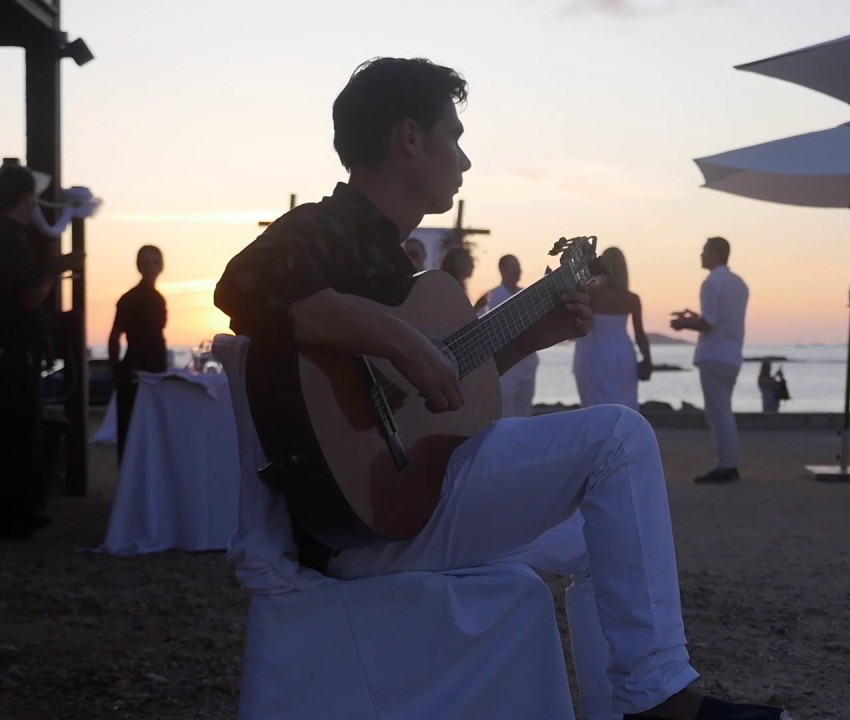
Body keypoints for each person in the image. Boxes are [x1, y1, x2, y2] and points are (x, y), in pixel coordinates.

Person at [212, 58, 791, 720]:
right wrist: (401, 341)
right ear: (409, 138)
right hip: (361, 521)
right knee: (618, 437)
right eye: (453, 136)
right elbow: (243, 286)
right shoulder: (327, 228)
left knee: (602, 537)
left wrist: (524, 339)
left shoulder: (399, 264)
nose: (463, 159)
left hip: (401, 495)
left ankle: (624, 701)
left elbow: (438, 404)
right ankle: (661, 701)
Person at [0, 162, 58, 540]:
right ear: (25, 198)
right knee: (21, 433)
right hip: (15, 354)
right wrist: (55, 269)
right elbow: (30, 294)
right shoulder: (11, 238)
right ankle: (18, 516)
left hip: (13, 351)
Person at [670, 236, 749, 484]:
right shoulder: (739, 284)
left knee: (718, 414)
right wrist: (696, 317)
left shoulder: (711, 283)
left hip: (714, 355)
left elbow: (709, 323)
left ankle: (726, 466)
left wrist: (683, 324)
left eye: (704, 251)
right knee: (724, 411)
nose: (700, 255)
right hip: (732, 355)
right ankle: (728, 462)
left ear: (715, 253)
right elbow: (720, 318)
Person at [108, 246, 168, 466]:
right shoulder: (129, 299)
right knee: (130, 431)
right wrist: (116, 371)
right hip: (134, 371)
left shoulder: (159, 298)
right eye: (146, 261)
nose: (150, 266)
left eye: (155, 261)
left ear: (161, 266)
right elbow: (114, 336)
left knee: (153, 430)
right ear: (138, 265)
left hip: (156, 369)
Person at [573, 246, 652, 410]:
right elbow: (639, 334)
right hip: (623, 354)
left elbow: (585, 324)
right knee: (624, 401)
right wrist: (647, 360)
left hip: (594, 352)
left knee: (595, 403)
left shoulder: (592, 293)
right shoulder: (631, 298)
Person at [482, 254, 540, 417]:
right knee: (505, 410)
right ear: (502, 269)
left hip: (527, 362)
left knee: (525, 410)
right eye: (513, 266)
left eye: (518, 266)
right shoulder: (492, 297)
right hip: (504, 363)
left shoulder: (528, 294)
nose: (517, 270)